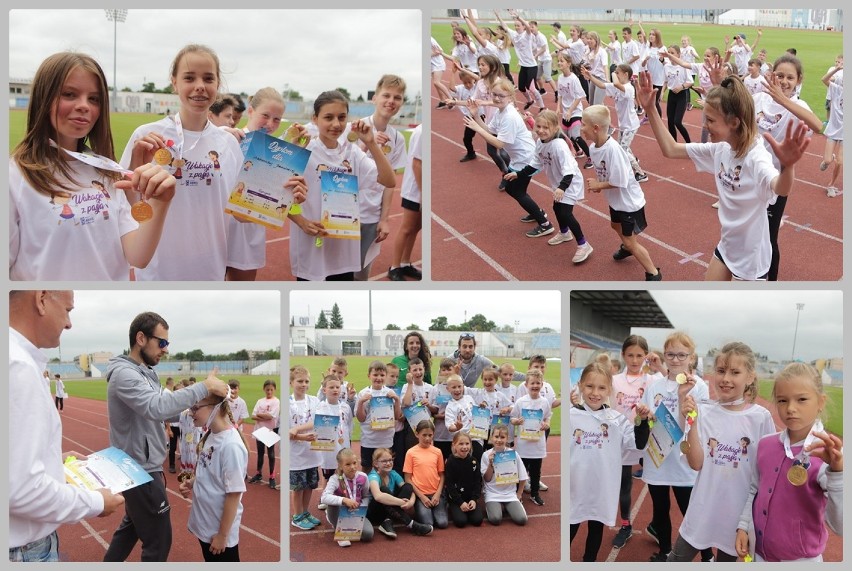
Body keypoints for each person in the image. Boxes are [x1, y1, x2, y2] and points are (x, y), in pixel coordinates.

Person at [10, 52, 177, 281]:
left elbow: (137, 256)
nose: (84, 106)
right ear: (43, 98)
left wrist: (160, 202)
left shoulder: (106, 171)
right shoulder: (14, 176)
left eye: (94, 99)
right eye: (69, 94)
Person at [635, 71, 810, 281]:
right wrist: (650, 109)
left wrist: (788, 166)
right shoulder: (720, 149)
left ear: (734, 123)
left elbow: (780, 188)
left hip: (751, 260)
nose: (704, 125)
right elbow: (671, 149)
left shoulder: (756, 157)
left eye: (710, 120)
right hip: (727, 247)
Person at [103, 311, 229, 562]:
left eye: (167, 344)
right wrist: (204, 386)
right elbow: (157, 407)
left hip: (141, 465)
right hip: (138, 468)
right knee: (158, 542)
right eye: (161, 342)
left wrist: (199, 409)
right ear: (141, 338)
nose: (165, 349)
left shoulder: (145, 372)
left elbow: (167, 410)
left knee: (131, 529)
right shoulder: (125, 374)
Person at [9, 290, 124, 562]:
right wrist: (97, 503)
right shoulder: (18, 367)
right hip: (22, 551)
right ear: (41, 299)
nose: (69, 323)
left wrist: (51, 461)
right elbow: (21, 489)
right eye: (68, 311)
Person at [120, 44, 246, 281]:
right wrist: (135, 165)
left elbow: (242, 211)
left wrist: (282, 195)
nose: (200, 85)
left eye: (208, 78)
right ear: (174, 82)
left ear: (217, 84)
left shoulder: (228, 144)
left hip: (210, 267)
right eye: (189, 77)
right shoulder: (146, 136)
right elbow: (126, 207)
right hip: (158, 270)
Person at [668, 342, 776, 562]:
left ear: (750, 377)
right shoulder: (704, 411)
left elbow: (766, 475)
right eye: (720, 371)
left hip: (737, 519)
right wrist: (693, 422)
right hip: (702, 509)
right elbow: (696, 464)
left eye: (735, 372)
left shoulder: (761, 418)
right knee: (676, 560)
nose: (726, 378)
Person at [735, 362, 843, 562]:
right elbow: (754, 490)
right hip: (759, 554)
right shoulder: (765, 445)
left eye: (802, 399)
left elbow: (841, 526)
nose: (790, 408)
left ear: (821, 402)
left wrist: (837, 473)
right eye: (783, 400)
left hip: (801, 560)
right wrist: (743, 525)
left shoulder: (830, 454)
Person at [289, 90, 395, 281]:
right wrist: (302, 222)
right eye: (328, 117)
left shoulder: (352, 153)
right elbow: (279, 195)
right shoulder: (304, 151)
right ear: (315, 119)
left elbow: (389, 180)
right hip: (312, 247)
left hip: (343, 251)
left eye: (341, 117)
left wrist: (371, 143)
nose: (336, 124)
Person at [641, 332, 714, 562]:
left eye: (681, 354)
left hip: (684, 458)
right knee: (660, 509)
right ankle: (664, 552)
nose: (675, 359)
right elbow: (646, 414)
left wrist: (684, 402)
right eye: (670, 354)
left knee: (691, 511)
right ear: (665, 355)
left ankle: (707, 556)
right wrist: (645, 415)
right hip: (658, 458)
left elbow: (698, 423)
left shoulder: (699, 386)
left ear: (691, 357)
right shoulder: (655, 385)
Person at [570, 361, 651, 561]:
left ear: (609, 390)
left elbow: (639, 445)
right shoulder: (570, 416)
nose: (595, 392)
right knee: (570, 527)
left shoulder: (617, 420)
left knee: (596, 528)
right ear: (580, 385)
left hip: (601, 487)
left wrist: (642, 423)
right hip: (575, 486)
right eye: (589, 386)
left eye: (601, 387)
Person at [463, 78, 554, 239]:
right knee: (517, 189)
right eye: (494, 95)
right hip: (520, 157)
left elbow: (498, 143)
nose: (497, 98)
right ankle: (538, 213)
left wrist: (477, 128)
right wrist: (476, 116)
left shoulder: (509, 116)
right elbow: (490, 130)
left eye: (501, 96)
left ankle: (545, 223)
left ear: (511, 97)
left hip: (526, 158)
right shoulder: (501, 112)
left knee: (514, 189)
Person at [581, 104, 662, 280]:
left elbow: (620, 181)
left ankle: (653, 273)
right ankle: (627, 248)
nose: (581, 129)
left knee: (631, 241)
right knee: (614, 225)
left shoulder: (613, 150)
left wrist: (598, 185)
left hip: (629, 204)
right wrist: (599, 184)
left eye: (583, 124)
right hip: (616, 201)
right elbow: (606, 175)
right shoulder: (595, 148)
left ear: (596, 128)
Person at [606, 334, 665, 548]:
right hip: (622, 440)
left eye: (639, 355)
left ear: (646, 356)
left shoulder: (653, 380)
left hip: (648, 440)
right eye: (630, 355)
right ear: (623, 355)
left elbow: (673, 387)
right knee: (625, 486)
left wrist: (660, 368)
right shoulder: (614, 381)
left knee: (658, 485)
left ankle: (659, 525)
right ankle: (625, 525)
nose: (634, 360)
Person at [178, 391, 248, 561]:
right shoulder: (211, 435)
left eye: (195, 407)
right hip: (206, 525)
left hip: (217, 532)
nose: (191, 412)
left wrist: (223, 536)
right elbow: (211, 474)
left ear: (215, 408)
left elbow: (234, 494)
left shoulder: (231, 446)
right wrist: (193, 482)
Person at [225, 87, 285, 282]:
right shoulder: (228, 138)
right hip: (221, 228)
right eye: (265, 115)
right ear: (250, 111)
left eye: (276, 119)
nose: (270, 124)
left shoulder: (277, 152)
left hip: (249, 231)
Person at [516, 109, 592, 263]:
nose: (541, 130)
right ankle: (565, 233)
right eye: (538, 126)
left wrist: (562, 188)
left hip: (569, 182)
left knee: (565, 212)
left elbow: (569, 171)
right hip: (558, 182)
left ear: (555, 128)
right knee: (557, 208)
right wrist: (518, 175)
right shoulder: (540, 142)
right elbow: (535, 164)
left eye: (546, 127)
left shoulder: (559, 146)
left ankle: (584, 245)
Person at [355, 75, 409, 281]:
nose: (391, 101)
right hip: (345, 213)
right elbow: (339, 168)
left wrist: (384, 219)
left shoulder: (397, 139)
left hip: (371, 215)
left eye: (397, 97)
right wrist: (366, 144)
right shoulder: (354, 130)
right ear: (375, 98)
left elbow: (390, 183)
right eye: (386, 95)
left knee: (362, 273)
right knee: (337, 273)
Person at [583, 64, 648, 183]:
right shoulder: (616, 86)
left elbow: (617, 84)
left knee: (622, 150)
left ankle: (640, 173)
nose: (616, 75)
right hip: (623, 125)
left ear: (625, 75)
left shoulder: (628, 87)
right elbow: (602, 85)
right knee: (622, 147)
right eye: (616, 73)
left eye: (618, 73)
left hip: (631, 125)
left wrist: (612, 72)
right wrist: (590, 77)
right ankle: (633, 159)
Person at [366, 448, 433, 537]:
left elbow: (410, 489)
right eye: (384, 461)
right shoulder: (373, 476)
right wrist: (401, 502)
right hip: (376, 512)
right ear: (375, 464)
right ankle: (412, 524)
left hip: (391, 509)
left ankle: (388, 521)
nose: (388, 463)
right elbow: (378, 496)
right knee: (384, 490)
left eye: (390, 460)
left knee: (408, 486)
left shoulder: (393, 473)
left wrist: (410, 502)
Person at [510, 369, 552, 507]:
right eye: (532, 383)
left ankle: (535, 494)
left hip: (537, 444)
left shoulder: (544, 402)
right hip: (523, 444)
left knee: (536, 472)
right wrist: (517, 421)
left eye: (538, 383)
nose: (535, 386)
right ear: (526, 385)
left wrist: (546, 424)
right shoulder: (521, 402)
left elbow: (547, 417)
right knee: (521, 470)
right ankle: (518, 494)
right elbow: (512, 418)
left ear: (542, 384)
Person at [287, 366, 322, 530]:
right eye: (300, 381)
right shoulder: (287, 403)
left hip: (312, 452)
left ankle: (306, 512)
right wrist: (301, 436)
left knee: (310, 486)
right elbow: (285, 432)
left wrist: (298, 430)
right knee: (298, 488)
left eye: (306, 381)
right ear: (291, 382)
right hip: (296, 454)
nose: (303, 384)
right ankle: (297, 516)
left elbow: (317, 421)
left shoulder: (314, 400)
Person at [320, 448, 374, 547]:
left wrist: (361, 507)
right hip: (339, 512)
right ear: (340, 466)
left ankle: (348, 528)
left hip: (356, 512)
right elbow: (324, 498)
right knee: (332, 502)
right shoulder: (335, 479)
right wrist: (344, 500)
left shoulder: (363, 477)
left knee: (368, 535)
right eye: (348, 464)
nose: (352, 467)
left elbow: (366, 496)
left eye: (354, 463)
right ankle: (338, 527)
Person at [389, 122, 422, 280]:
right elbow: (417, 164)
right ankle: (395, 267)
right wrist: (423, 194)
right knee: (407, 228)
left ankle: (405, 263)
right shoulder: (422, 132)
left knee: (416, 227)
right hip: (414, 191)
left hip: (420, 190)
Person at [356, 361, 402, 475]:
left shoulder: (390, 393)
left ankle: (383, 491)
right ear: (369, 376)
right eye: (375, 375)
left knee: (385, 469)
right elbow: (361, 419)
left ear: (385, 376)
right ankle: (366, 492)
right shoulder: (363, 393)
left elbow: (397, 416)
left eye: (382, 375)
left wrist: (396, 400)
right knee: (366, 468)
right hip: (369, 440)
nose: (378, 378)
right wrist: (361, 402)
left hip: (386, 440)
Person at [404, 420, 448, 529]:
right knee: (428, 523)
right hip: (420, 495)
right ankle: (423, 510)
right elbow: (408, 478)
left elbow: (442, 475)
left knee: (442, 523)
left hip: (436, 494)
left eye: (430, 435)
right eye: (424, 435)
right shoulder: (411, 452)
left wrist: (438, 494)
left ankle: (440, 505)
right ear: (417, 434)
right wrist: (422, 497)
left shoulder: (437, 452)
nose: (427, 438)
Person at [480, 424, 527, 526]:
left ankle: (506, 506)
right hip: (493, 494)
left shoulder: (513, 454)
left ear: (507, 439)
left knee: (522, 520)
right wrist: (490, 464)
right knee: (495, 519)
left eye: (502, 437)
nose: (499, 440)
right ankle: (497, 506)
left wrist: (519, 494)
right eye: (496, 437)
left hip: (510, 494)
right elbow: (487, 479)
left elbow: (523, 477)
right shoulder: (486, 455)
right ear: (491, 438)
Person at [444, 432, 484, 528]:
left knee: (477, 521)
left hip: (470, 498)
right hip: (456, 499)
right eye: (461, 444)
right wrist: (460, 502)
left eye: (467, 444)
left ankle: (470, 506)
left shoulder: (474, 461)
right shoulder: (450, 462)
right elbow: (449, 485)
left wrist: (474, 500)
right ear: (454, 445)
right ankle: (452, 507)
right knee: (461, 522)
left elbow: (478, 482)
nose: (464, 447)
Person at [444, 374, 484, 463]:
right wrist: (456, 427)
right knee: (464, 466)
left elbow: (477, 414)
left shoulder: (469, 398)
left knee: (477, 465)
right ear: (448, 389)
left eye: (459, 386)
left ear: (463, 386)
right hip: (462, 442)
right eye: (454, 387)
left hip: (475, 438)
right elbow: (449, 426)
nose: (457, 390)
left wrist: (481, 407)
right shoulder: (450, 407)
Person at [249, 379, 280, 487]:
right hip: (259, 430)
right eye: (267, 390)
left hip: (270, 430)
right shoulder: (260, 401)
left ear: (274, 390)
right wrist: (264, 416)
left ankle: (272, 476)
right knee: (260, 453)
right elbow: (253, 416)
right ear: (264, 389)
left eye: (271, 390)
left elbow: (271, 416)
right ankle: (258, 473)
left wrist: (260, 415)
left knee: (271, 454)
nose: (269, 392)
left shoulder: (276, 401)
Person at [820, 61, 843, 198]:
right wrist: (836, 69)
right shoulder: (836, 89)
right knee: (828, 161)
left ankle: (831, 185)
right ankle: (828, 160)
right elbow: (824, 79)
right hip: (834, 129)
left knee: (840, 162)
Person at [662, 45, 693, 142]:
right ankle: (673, 143)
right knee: (670, 121)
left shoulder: (683, 66)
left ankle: (689, 143)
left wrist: (681, 87)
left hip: (681, 95)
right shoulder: (666, 66)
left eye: (672, 53)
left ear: (678, 55)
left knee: (677, 122)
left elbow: (690, 82)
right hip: (671, 95)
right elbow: (666, 81)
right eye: (669, 53)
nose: (670, 55)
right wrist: (662, 92)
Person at [431, 36, 453, 109]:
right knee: (436, 84)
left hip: (438, 63)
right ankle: (443, 101)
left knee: (436, 82)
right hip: (432, 64)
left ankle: (451, 99)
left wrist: (432, 54)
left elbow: (439, 50)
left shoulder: (430, 39)